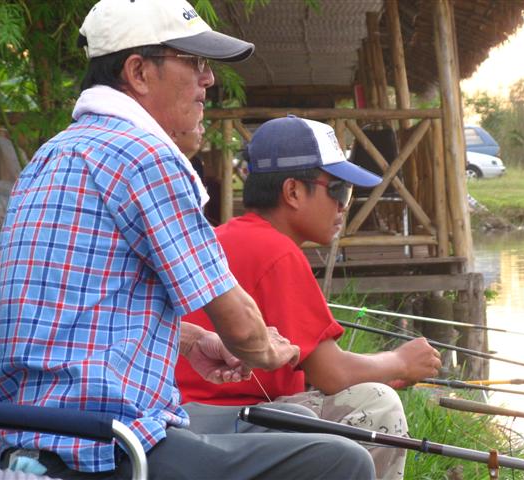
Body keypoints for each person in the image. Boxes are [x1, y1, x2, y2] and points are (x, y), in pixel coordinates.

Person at [0, 1, 375, 479]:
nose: (208, 80)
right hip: (107, 448)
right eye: (194, 63)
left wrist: (190, 341)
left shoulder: (54, 153)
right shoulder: (145, 155)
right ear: (139, 72)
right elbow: (239, 321)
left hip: (33, 435)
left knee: (292, 421)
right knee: (341, 458)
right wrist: (275, 350)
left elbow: (77, 315)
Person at [176, 115, 443, 480]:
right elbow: (333, 374)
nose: (343, 206)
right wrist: (399, 361)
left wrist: (378, 370)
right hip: (230, 421)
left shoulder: (224, 237)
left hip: (187, 420)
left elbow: (310, 371)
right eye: (338, 190)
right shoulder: (278, 252)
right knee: (377, 404)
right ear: (292, 192)